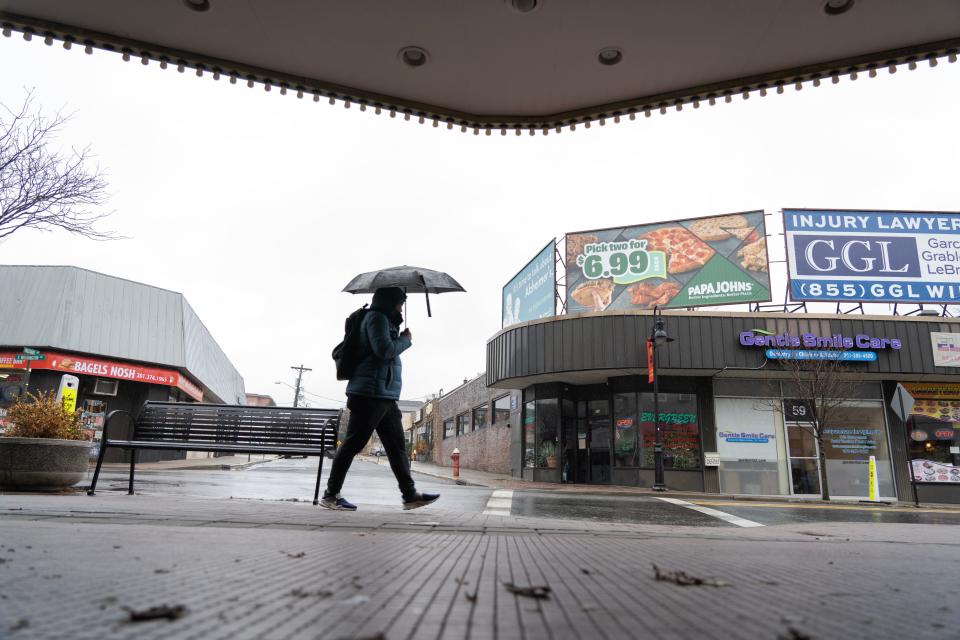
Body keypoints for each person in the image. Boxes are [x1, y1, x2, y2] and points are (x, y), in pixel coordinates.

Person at [320, 286, 440, 511]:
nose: (401, 307)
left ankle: (410, 494)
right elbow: (384, 350)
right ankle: (331, 495)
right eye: (399, 303)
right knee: (353, 444)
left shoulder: (385, 320)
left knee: (397, 447)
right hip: (369, 394)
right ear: (390, 302)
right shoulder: (376, 318)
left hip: (383, 395)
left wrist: (398, 335)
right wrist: (405, 340)